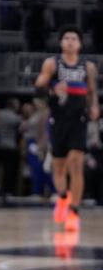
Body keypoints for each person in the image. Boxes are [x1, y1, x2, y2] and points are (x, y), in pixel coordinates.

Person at [34, 27, 98, 232]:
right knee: (59, 167)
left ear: (80, 44)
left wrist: (95, 106)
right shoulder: (52, 64)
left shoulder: (87, 67)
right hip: (58, 118)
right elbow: (38, 88)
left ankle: (74, 211)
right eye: (67, 38)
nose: (70, 41)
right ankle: (63, 197)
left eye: (74, 38)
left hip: (78, 119)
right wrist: (53, 90)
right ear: (61, 43)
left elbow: (92, 92)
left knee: (76, 163)